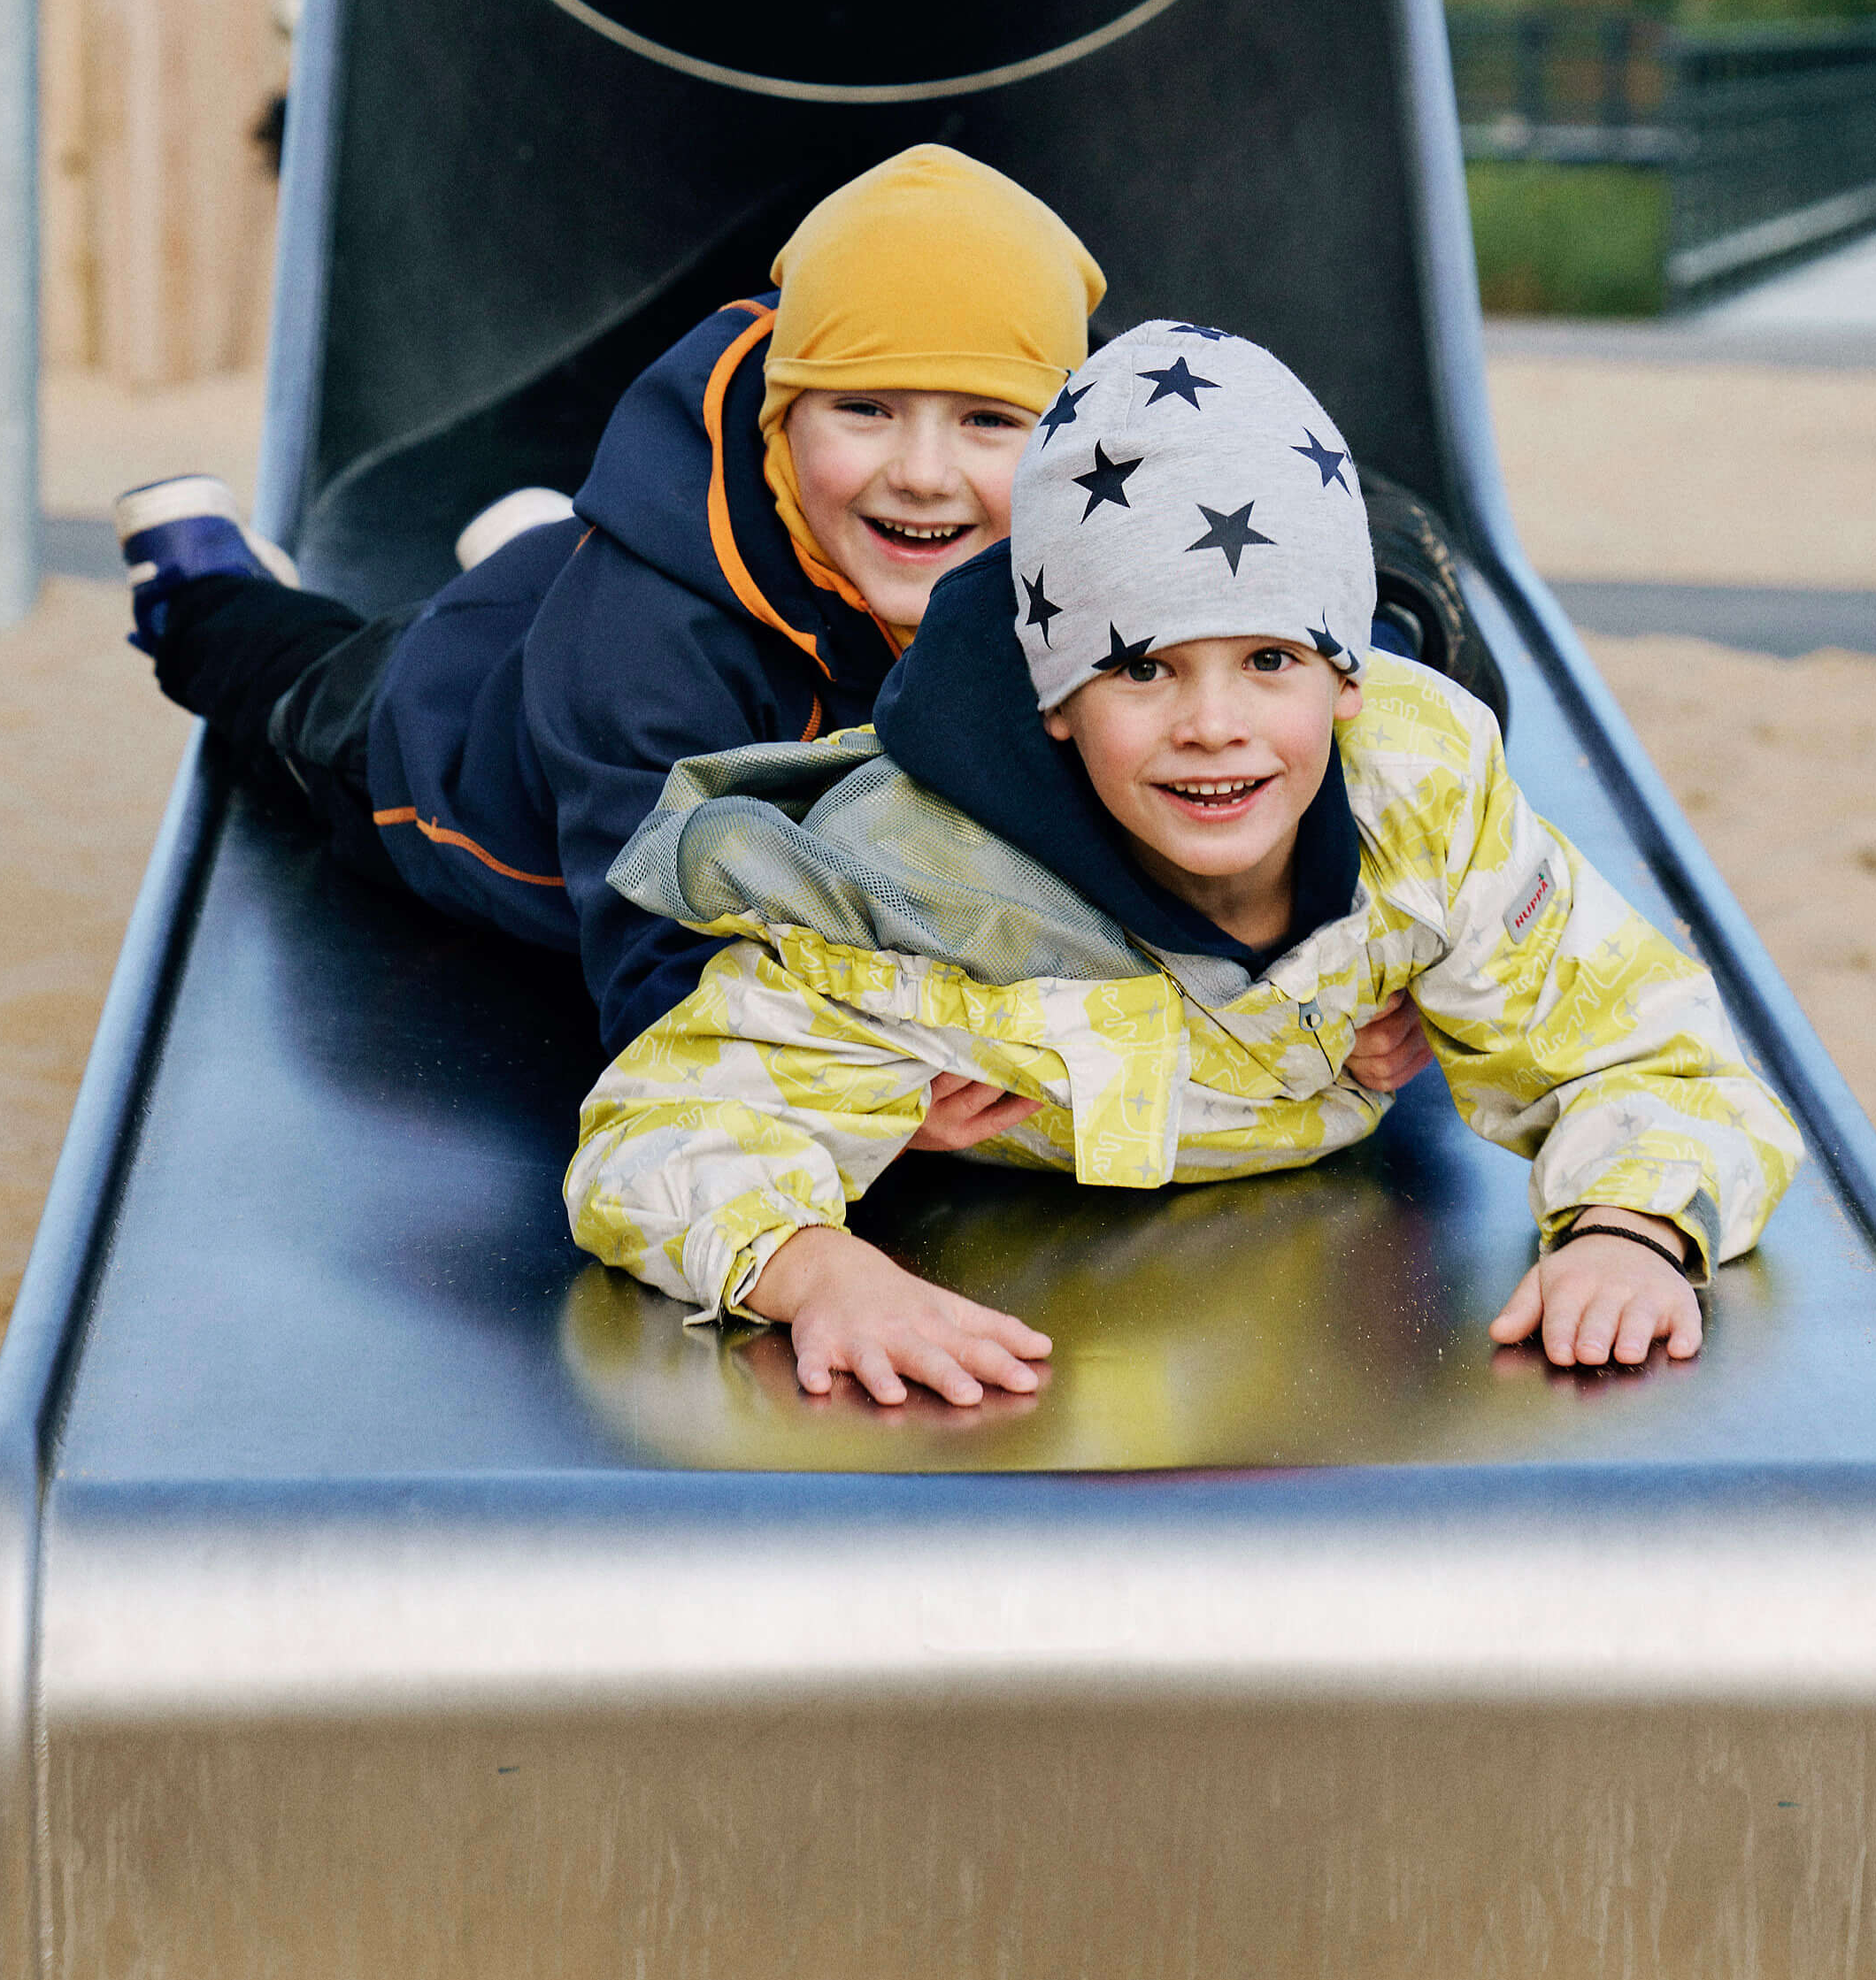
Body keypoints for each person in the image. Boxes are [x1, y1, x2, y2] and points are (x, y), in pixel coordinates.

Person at [567, 320, 1800, 1401]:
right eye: (1142, 667)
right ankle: (529, 545)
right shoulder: (917, 888)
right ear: (1058, 697)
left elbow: (1652, 1049)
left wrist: (1628, 1229)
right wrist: (819, 1275)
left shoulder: (1420, 803)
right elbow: (655, 1130)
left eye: (1267, 659)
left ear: (1344, 676)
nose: (1212, 724)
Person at [122, 147, 1428, 1102]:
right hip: (447, 748)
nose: (922, 473)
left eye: (987, 421)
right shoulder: (648, 652)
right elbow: (655, 954)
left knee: (566, 585)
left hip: (609, 621)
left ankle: (536, 544)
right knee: (298, 690)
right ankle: (201, 584)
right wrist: (854, 1086)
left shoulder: (1075, 529)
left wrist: (1367, 963)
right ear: (777, 416)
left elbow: (1293, 695)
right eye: (864, 410)